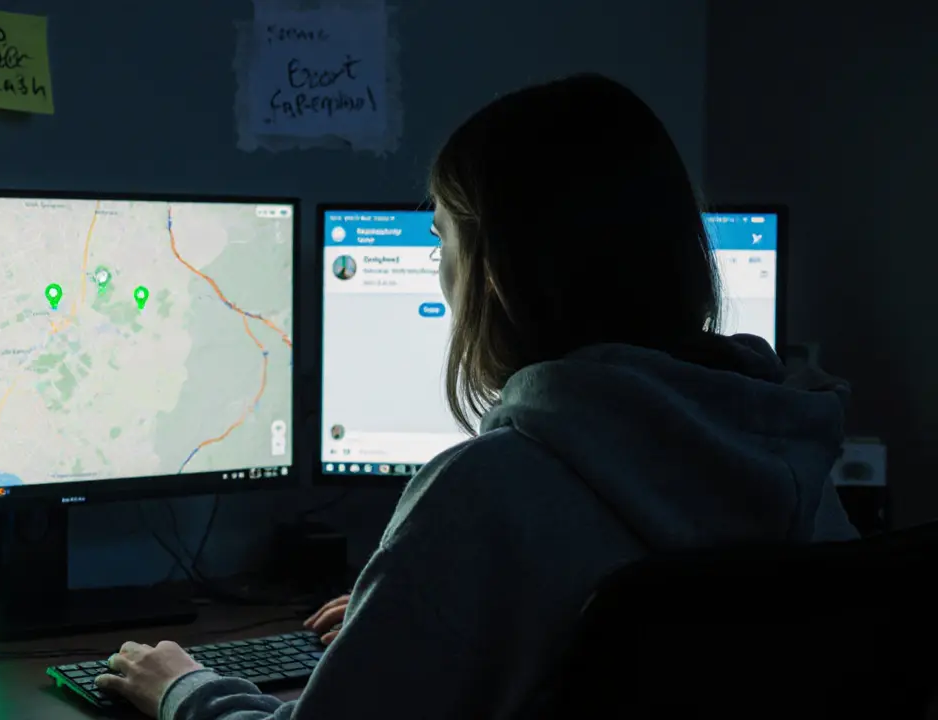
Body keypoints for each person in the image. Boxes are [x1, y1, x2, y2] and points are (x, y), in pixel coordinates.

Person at [94, 73, 859, 719]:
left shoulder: (486, 493)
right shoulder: (801, 466)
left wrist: (185, 689)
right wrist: (395, 619)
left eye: (441, 241)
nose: (441, 271)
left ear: (494, 272)